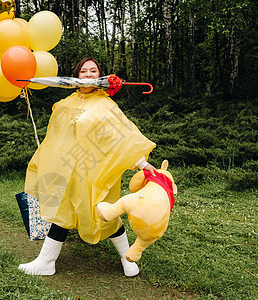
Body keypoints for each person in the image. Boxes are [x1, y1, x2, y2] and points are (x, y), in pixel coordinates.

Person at [18, 58, 156, 277]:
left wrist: (142, 164)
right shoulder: (65, 104)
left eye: (94, 71)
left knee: (106, 212)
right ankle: (46, 261)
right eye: (84, 71)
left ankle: (127, 257)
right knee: (63, 212)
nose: (89, 74)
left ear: (100, 76)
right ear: (77, 76)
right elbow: (57, 137)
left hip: (97, 170)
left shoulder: (106, 105)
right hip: (68, 170)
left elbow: (121, 136)